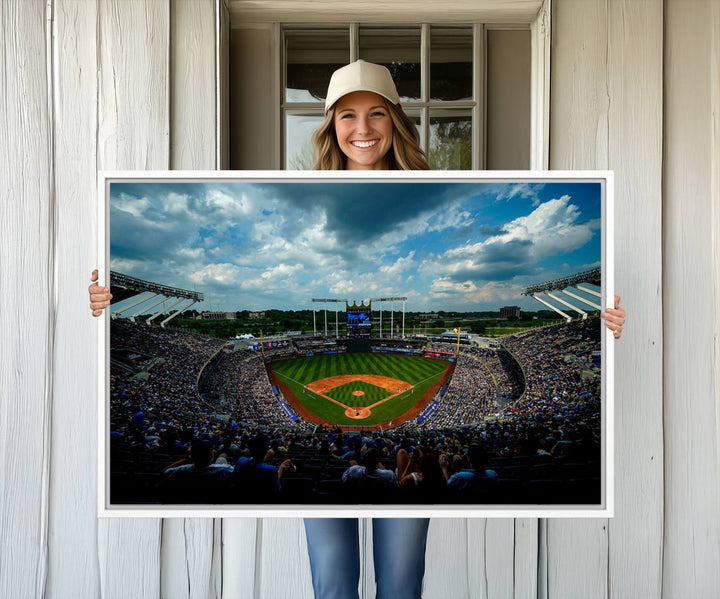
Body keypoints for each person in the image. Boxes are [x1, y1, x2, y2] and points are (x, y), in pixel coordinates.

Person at [88, 59, 627, 599]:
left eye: (376, 114)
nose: (362, 129)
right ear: (330, 126)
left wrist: (603, 324)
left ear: (395, 121)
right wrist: (104, 308)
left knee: (400, 581)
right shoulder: (298, 189)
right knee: (333, 583)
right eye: (347, 115)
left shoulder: (442, 186)